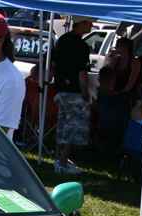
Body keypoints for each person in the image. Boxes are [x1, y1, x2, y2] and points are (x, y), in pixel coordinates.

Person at [51, 16, 93, 175]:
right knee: (73, 127)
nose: (92, 25)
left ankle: (59, 159)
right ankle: (62, 162)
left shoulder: (62, 40)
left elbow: (53, 64)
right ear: (81, 23)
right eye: (89, 22)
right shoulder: (82, 46)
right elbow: (82, 73)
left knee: (62, 125)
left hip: (60, 88)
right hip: (74, 91)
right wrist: (85, 93)